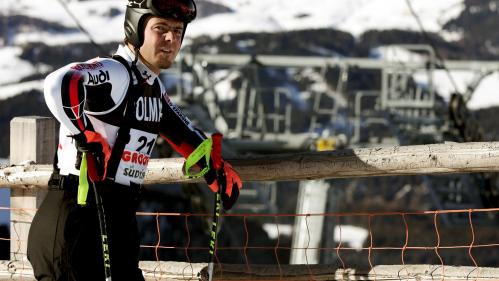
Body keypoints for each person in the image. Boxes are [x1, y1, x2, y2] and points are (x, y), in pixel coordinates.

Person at [27, 0, 243, 280]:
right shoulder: (117, 73)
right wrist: (84, 135)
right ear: (136, 29)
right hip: (77, 219)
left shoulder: (151, 87)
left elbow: (183, 132)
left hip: (116, 220)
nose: (170, 39)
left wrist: (215, 168)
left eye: (178, 31)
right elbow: (59, 82)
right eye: (160, 28)